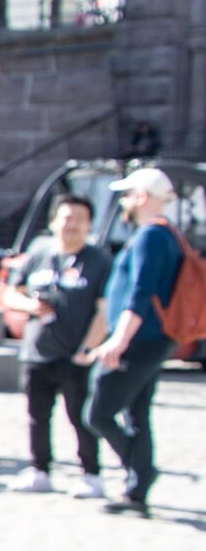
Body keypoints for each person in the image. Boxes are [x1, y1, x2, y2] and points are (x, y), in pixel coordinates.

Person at [87, 166, 186, 516]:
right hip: (150, 339)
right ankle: (136, 489)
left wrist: (117, 340)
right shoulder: (163, 234)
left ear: (142, 197)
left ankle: (141, 473)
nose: (124, 202)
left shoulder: (151, 236)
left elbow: (141, 293)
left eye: (128, 195)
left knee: (98, 412)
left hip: (140, 340)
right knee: (136, 414)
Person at [0, 195, 110, 496]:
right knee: (37, 415)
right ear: (53, 221)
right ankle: (40, 469)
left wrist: (87, 349)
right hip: (37, 351)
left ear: (88, 225)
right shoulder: (38, 254)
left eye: (79, 219)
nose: (71, 224)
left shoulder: (98, 261)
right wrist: (31, 306)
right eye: (66, 217)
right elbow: (9, 295)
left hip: (75, 355)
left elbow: (105, 310)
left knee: (80, 416)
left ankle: (91, 473)